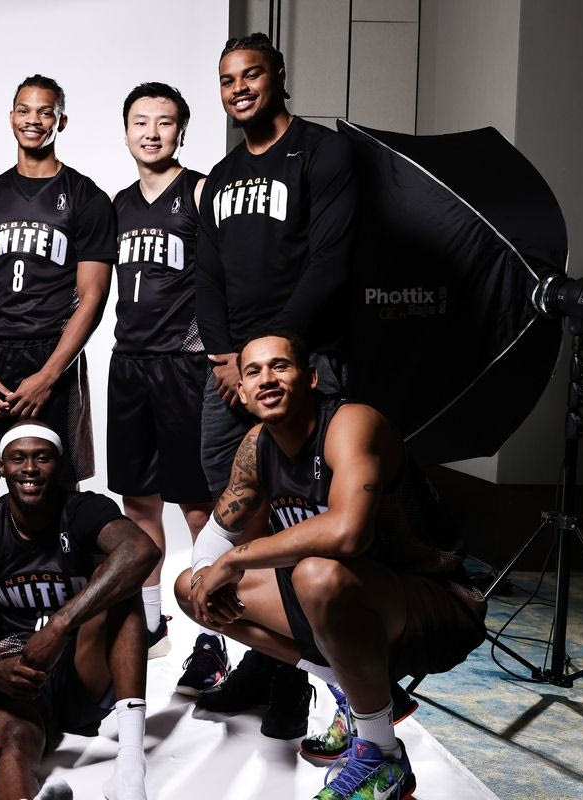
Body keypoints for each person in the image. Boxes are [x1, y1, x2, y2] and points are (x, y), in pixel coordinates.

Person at [177, 332, 486, 800]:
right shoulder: (257, 445)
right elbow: (218, 531)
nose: (267, 379)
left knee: (315, 574)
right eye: (253, 372)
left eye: (280, 366)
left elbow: (347, 533)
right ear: (240, 391)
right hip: (346, 606)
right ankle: (352, 687)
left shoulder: (351, 423)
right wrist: (208, 571)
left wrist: (237, 559)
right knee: (191, 588)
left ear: (311, 378)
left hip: (435, 605)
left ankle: (381, 756)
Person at [193, 32, 358, 722]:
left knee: (301, 511)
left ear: (278, 75)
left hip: (304, 359)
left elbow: (330, 260)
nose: (239, 89)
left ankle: (314, 681)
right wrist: (225, 358)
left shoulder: (322, 153)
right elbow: (208, 276)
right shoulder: (221, 175)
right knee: (234, 504)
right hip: (233, 368)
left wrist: (271, 355)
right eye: (228, 80)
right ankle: (266, 664)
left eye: (251, 75)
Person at [0, 420, 160, 800]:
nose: (30, 468)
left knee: (121, 582)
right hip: (18, 669)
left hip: (84, 667)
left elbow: (141, 550)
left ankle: (130, 766)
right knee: (14, 744)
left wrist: (59, 626)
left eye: (42, 458)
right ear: (1, 467)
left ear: (59, 465)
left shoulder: (83, 509)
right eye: (18, 459)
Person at [0, 74, 116, 519]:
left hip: (51, 353)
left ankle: (58, 563)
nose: (33, 120)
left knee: (56, 482)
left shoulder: (86, 197)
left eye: (46, 112)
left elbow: (93, 297)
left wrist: (48, 375)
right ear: (11, 118)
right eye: (24, 110)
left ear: (60, 121)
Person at [108, 82, 220, 693]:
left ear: (182, 131)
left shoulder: (199, 192)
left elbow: (224, 276)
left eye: (165, 121)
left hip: (184, 364)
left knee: (198, 506)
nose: (152, 132)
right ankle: (152, 624)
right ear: (126, 130)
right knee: (138, 502)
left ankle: (211, 635)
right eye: (141, 121)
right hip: (129, 363)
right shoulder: (117, 204)